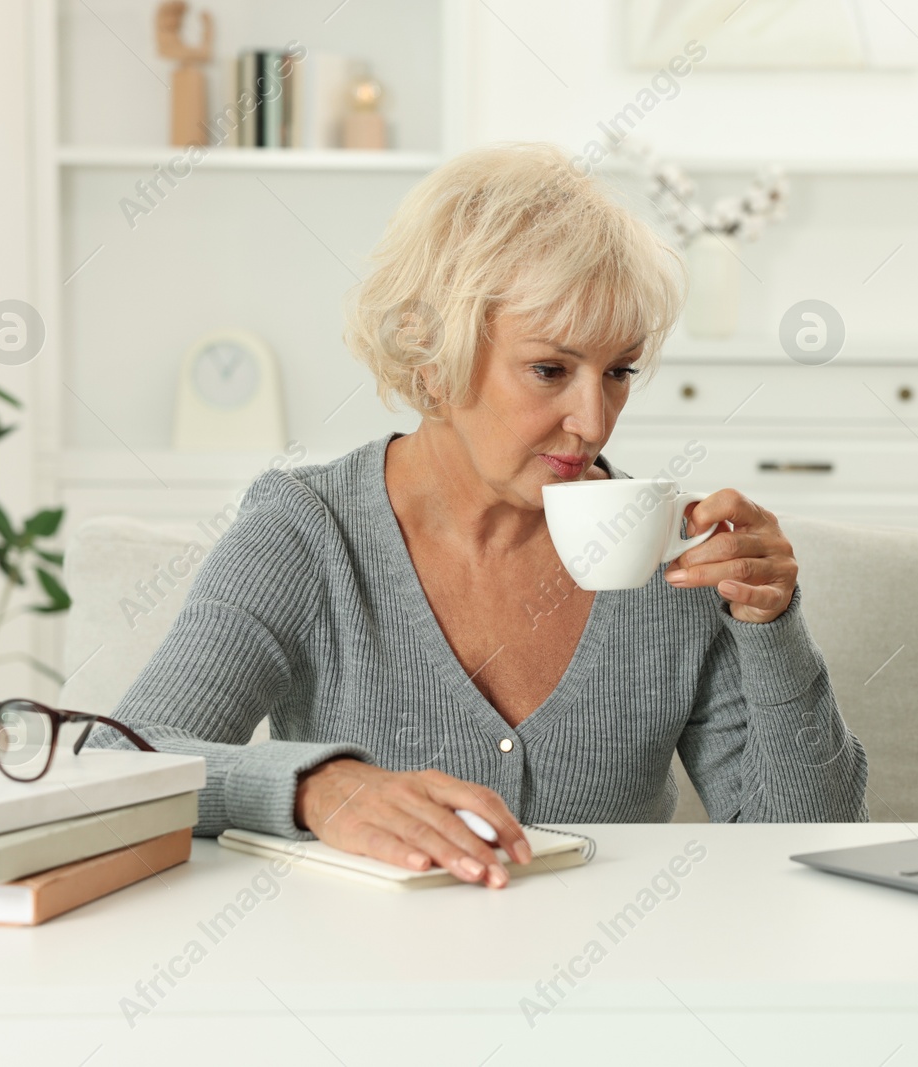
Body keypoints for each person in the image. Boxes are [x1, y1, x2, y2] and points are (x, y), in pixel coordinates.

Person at [92, 143, 868, 889]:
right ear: (434, 356)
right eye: (549, 369)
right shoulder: (310, 532)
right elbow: (119, 769)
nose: (594, 422)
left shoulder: (670, 556)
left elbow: (804, 838)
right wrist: (319, 788)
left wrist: (770, 626)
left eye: (619, 372)